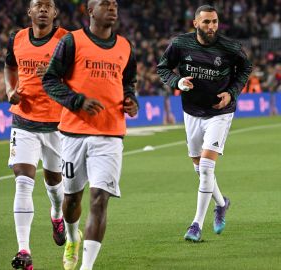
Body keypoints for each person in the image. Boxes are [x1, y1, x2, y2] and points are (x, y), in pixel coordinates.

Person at [42, 0, 138, 269]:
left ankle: (86, 266)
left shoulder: (126, 46)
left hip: (110, 134)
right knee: (72, 199)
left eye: (115, 4)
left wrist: (131, 100)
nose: (112, 8)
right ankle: (72, 237)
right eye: (104, 4)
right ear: (90, 10)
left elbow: (128, 83)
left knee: (99, 199)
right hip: (74, 133)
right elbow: (50, 80)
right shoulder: (72, 42)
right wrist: (76, 101)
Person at [157, 5, 252, 242]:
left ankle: (196, 225)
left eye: (215, 22)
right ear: (196, 24)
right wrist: (178, 82)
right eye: (207, 22)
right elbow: (163, 68)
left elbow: (245, 69)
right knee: (199, 168)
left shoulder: (231, 48)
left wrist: (232, 92)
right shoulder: (180, 44)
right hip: (191, 112)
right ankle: (221, 203)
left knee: (207, 167)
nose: (212, 27)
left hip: (220, 112)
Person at [5, 1, 67, 269]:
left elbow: (80, 77)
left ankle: (56, 215)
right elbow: (10, 66)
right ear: (29, 12)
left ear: (54, 13)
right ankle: (24, 250)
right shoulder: (17, 38)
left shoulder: (67, 40)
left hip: (56, 123)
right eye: (37, 5)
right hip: (24, 119)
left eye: (48, 5)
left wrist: (56, 75)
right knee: (23, 180)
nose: (42, 9)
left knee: (54, 183)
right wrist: (10, 90)